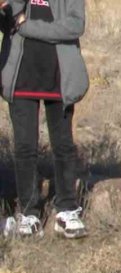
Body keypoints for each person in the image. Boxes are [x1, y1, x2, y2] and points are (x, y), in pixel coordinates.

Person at [0, 0, 88, 238]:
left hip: (59, 78)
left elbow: (75, 26)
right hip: (21, 78)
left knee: (63, 145)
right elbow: (7, 25)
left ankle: (66, 210)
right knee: (25, 147)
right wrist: (9, 14)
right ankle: (29, 213)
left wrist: (27, 26)